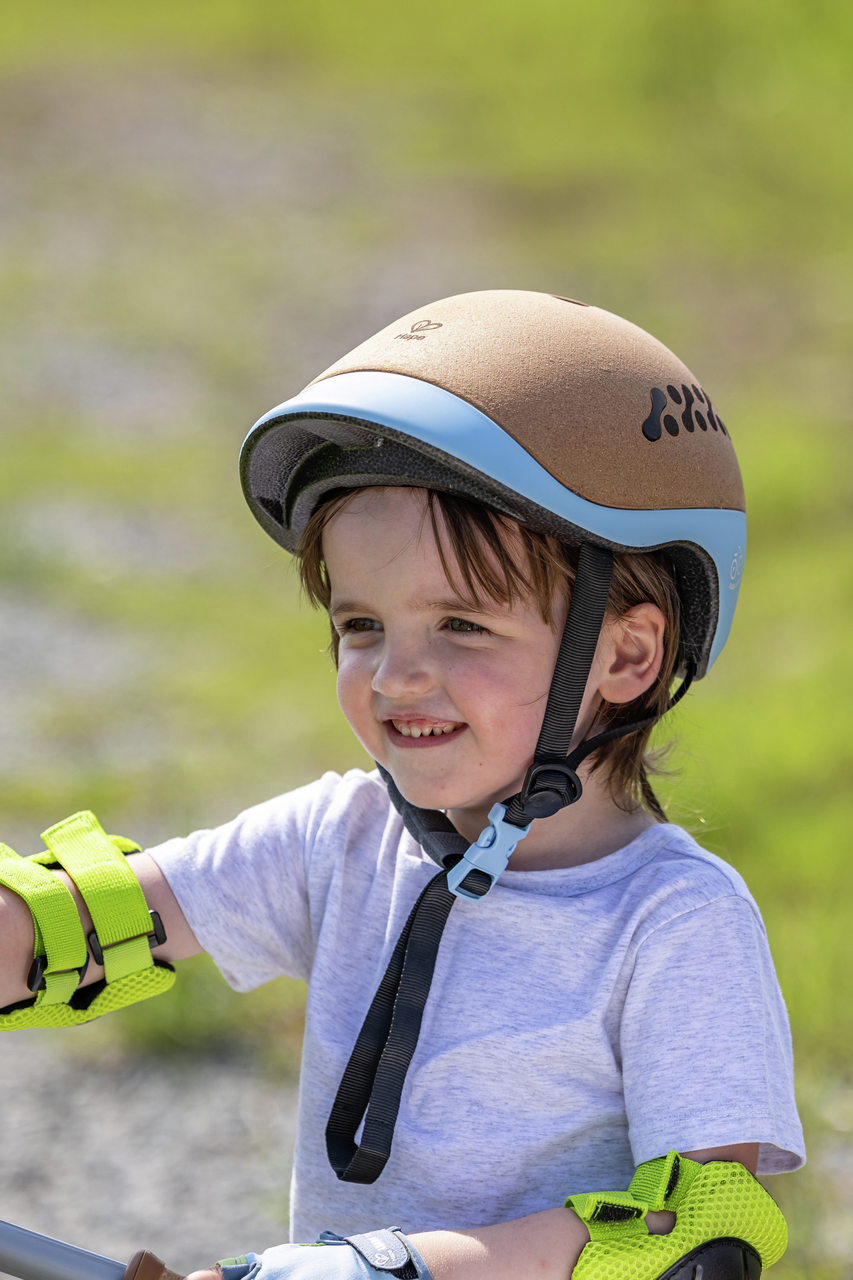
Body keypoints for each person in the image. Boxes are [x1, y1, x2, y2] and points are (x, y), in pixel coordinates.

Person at [0, 292, 804, 1280]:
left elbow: (697, 1225)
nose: (393, 677)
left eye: (462, 625)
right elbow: (78, 924)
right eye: (360, 626)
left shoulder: (675, 922)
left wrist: (386, 1267)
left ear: (628, 654)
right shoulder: (339, 837)